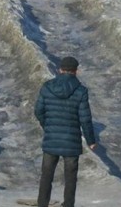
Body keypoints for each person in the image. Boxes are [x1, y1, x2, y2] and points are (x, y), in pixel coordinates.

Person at [35, 56, 97, 207]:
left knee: (46, 176)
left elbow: (38, 111)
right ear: (76, 71)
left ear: (60, 70)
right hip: (71, 141)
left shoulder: (47, 86)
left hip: (51, 139)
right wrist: (91, 141)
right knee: (70, 178)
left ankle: (42, 204)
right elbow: (85, 118)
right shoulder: (81, 91)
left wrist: (47, 126)